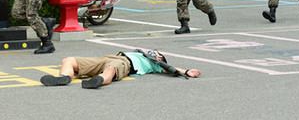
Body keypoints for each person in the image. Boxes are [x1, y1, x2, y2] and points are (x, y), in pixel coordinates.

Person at [40, 49, 201, 89]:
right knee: (69, 60)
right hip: (109, 57)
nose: (154, 52)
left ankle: (99, 81)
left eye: (158, 54)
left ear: (160, 58)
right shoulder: (140, 52)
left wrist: (186, 71)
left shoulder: (155, 64)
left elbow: (170, 69)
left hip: (125, 63)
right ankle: (64, 77)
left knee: (110, 69)